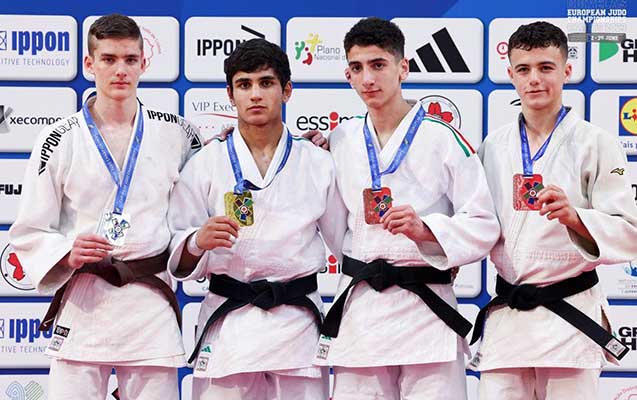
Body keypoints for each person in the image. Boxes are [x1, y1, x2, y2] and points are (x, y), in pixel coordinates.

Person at [8, 14, 202, 400]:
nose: (120, 70)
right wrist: (67, 252)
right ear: (89, 63)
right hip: (85, 302)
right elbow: (30, 229)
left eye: (130, 59)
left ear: (144, 63)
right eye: (109, 59)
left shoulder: (176, 133)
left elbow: (211, 179)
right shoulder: (58, 139)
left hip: (149, 305)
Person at [313, 17, 499, 400]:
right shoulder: (341, 138)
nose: (368, 78)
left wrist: (426, 231)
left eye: (378, 65)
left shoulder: (443, 138)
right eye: (357, 68)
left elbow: (483, 222)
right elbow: (334, 226)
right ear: (347, 75)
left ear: (404, 68)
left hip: (426, 309)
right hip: (363, 309)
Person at [166, 38, 346, 400]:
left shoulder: (318, 162)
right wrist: (197, 242)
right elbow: (177, 250)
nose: (255, 94)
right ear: (230, 95)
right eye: (244, 85)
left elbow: (348, 245)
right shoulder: (206, 163)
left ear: (286, 90)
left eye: (266, 83)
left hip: (297, 324)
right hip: (229, 324)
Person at [469, 21, 637, 400]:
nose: (534, 79)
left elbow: (629, 231)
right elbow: (473, 222)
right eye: (524, 69)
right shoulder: (493, 147)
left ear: (566, 71)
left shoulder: (596, 142)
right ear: (511, 75)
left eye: (546, 67)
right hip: (509, 316)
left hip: (569, 317)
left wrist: (575, 217)